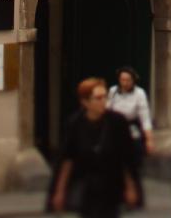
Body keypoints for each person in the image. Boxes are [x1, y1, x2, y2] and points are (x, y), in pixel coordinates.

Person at [51, 77, 139, 218]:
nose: (103, 101)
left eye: (105, 97)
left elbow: (126, 159)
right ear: (85, 102)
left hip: (111, 185)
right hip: (86, 186)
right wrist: (60, 191)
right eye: (98, 98)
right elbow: (68, 158)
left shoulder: (117, 122)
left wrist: (131, 187)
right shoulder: (76, 124)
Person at [108, 67, 153, 210]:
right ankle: (117, 196)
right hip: (115, 129)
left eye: (128, 80)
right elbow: (108, 110)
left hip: (131, 129)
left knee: (132, 165)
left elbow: (144, 116)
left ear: (133, 80)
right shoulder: (113, 91)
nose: (125, 83)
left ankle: (136, 196)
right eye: (122, 80)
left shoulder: (139, 93)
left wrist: (149, 138)